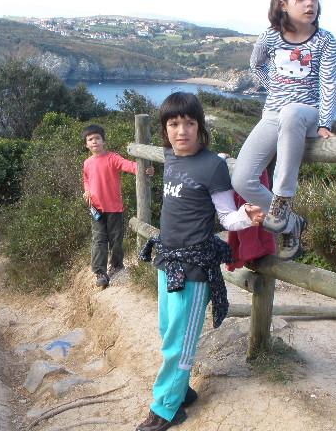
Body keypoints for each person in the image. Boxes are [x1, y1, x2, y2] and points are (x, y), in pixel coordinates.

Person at [136, 92, 264, 431]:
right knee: (168, 332)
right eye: (174, 124)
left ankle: (166, 408)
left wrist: (245, 216)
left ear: (199, 126)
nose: (182, 131)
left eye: (189, 123)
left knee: (180, 342)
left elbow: (225, 217)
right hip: (167, 261)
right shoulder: (170, 157)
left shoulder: (212, 166)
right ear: (165, 130)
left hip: (194, 268)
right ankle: (182, 391)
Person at [231, 0, 336, 261]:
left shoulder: (325, 40)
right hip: (272, 113)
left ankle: (282, 200)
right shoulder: (270, 37)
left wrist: (325, 122)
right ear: (282, 4)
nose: (310, 4)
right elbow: (256, 66)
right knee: (242, 179)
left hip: (307, 113)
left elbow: (328, 84)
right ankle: (292, 223)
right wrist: (274, 89)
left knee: (292, 111)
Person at [82, 124, 154, 289]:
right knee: (99, 240)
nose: (94, 142)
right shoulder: (87, 162)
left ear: (104, 140)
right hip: (96, 209)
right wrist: (87, 191)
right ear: (86, 144)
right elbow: (87, 179)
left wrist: (147, 169)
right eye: (90, 139)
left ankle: (116, 264)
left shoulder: (112, 158)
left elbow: (130, 166)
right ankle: (100, 272)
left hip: (115, 208)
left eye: (97, 138)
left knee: (116, 239)